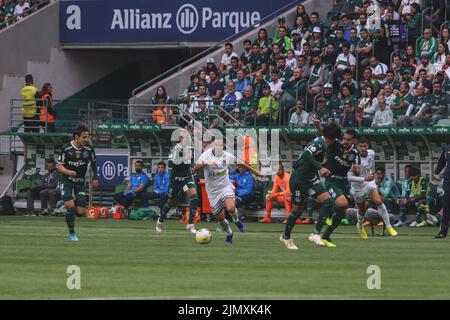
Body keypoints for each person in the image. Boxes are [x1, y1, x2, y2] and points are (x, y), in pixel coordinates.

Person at [280, 122, 342, 250]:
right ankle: (285, 236)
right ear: (333, 137)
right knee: (297, 210)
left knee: (328, 202)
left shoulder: (326, 141)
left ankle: (315, 233)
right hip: (299, 180)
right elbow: (306, 154)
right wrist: (320, 168)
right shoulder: (320, 143)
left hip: (311, 179)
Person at [193, 138, 260, 245]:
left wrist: (255, 171)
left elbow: (241, 163)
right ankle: (229, 234)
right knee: (221, 219)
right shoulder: (205, 155)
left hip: (225, 186)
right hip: (212, 191)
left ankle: (237, 221)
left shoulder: (227, 156)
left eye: (221, 145)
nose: (219, 147)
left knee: (231, 207)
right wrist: (206, 163)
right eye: (217, 145)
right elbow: (194, 168)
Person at [348, 138, 398, 239]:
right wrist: (363, 177)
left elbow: (372, 163)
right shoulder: (354, 159)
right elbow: (349, 177)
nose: (362, 148)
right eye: (360, 146)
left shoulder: (371, 153)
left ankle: (389, 226)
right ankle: (360, 225)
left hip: (369, 183)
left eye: (364, 146)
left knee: (378, 201)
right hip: (358, 187)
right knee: (362, 210)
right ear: (357, 147)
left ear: (368, 146)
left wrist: (373, 172)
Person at [57, 123, 99, 241]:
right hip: (67, 180)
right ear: (76, 137)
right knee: (70, 206)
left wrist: (95, 178)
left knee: (80, 212)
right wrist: (67, 171)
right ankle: (72, 234)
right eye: (84, 137)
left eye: (88, 137)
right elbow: (59, 166)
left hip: (80, 182)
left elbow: (94, 163)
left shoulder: (89, 149)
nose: (87, 139)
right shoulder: (66, 148)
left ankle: (64, 201)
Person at [156, 131, 199, 234]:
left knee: (194, 197)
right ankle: (160, 219)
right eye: (185, 137)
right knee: (172, 202)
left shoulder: (190, 149)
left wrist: (193, 167)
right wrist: (182, 158)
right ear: (180, 138)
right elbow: (170, 163)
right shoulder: (175, 149)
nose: (187, 139)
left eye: (188, 137)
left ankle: (190, 224)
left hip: (186, 178)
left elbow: (192, 161)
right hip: (176, 180)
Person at [434, 144, 450, 238]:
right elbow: (441, 162)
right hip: (448, 180)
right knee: (446, 206)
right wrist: (436, 172)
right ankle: (443, 231)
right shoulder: (447, 148)